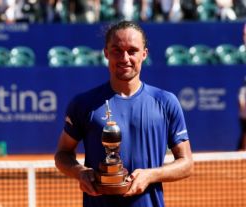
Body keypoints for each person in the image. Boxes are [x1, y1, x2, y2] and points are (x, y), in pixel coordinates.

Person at [54, 20, 194, 207]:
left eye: (132, 51)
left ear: (144, 54)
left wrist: (150, 174)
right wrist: (80, 172)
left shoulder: (166, 102)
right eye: (117, 51)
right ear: (106, 53)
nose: (124, 58)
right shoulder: (83, 104)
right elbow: (62, 154)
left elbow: (186, 163)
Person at [238, 77, 246, 151]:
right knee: (245, 132)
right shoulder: (243, 91)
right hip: (244, 116)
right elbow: (241, 104)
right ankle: (244, 149)